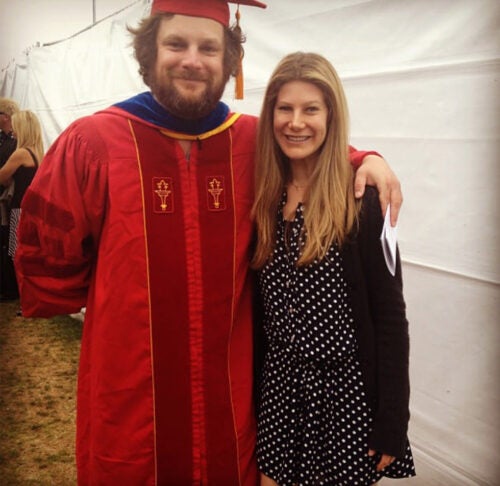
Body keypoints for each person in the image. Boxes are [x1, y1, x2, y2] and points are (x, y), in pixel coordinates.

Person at [15, 2, 404, 485]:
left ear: (229, 61)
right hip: (132, 395)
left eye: (209, 47)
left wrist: (367, 158)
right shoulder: (96, 142)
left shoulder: (248, 141)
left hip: (229, 397)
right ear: (148, 50)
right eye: (176, 44)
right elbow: (50, 267)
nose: (192, 60)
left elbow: (315, 147)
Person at [252, 52, 416, 485]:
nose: (296, 122)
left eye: (311, 109)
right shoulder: (262, 197)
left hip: (344, 398)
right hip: (279, 391)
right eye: (284, 108)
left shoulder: (361, 202)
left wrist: (393, 419)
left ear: (331, 115)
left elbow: (390, 318)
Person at [0, 110, 43, 263]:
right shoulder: (38, 151)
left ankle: (14, 286)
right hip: (32, 208)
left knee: (15, 253)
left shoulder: (21, 153)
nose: (13, 130)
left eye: (15, 126)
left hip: (19, 208)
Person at [0, 97, 20, 301]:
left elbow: (4, 175)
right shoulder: (6, 141)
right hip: (12, 203)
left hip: (16, 205)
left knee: (13, 247)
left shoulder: (18, 145)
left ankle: (13, 289)